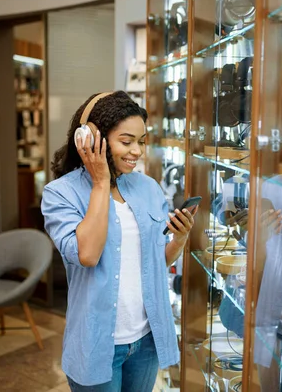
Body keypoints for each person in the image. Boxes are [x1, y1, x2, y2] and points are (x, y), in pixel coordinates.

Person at [41, 91, 198, 391]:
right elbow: (87, 254)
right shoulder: (60, 194)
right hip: (97, 345)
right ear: (90, 140)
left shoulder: (148, 188)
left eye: (140, 141)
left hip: (146, 340)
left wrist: (179, 238)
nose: (137, 151)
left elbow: (155, 261)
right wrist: (101, 181)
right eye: (126, 142)